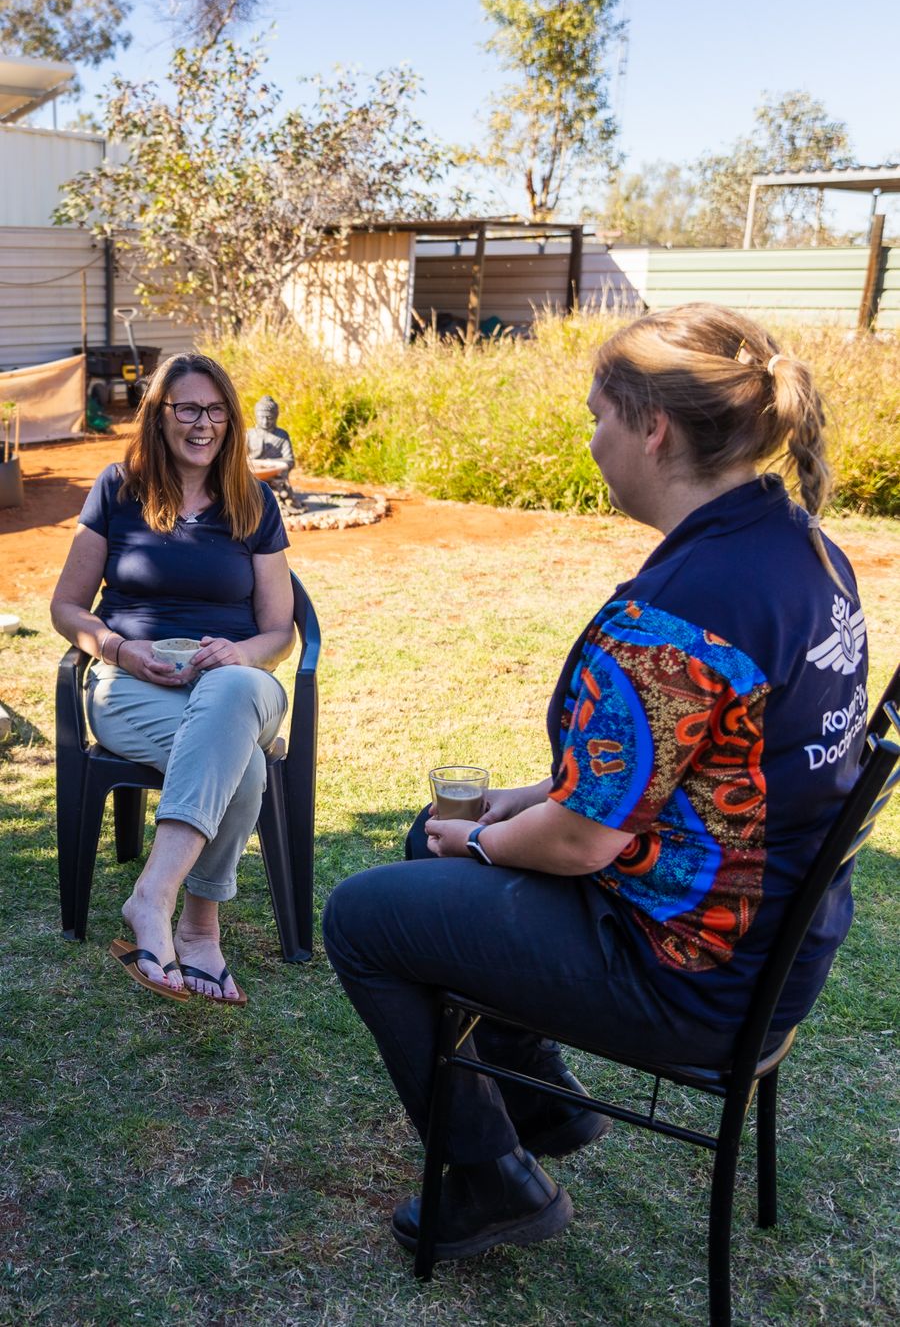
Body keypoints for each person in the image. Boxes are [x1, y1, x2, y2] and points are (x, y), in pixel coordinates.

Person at [322, 303, 868, 1262]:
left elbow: (584, 842)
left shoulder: (677, 614)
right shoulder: (801, 550)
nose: (592, 440)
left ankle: (492, 1181)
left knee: (364, 916)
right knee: (427, 840)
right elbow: (687, 769)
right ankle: (542, 1107)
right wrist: (520, 803)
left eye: (597, 417)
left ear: (652, 428)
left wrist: (490, 839)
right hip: (771, 937)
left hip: (690, 975)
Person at [51, 353, 296, 1004]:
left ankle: (152, 899)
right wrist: (117, 648)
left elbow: (280, 631)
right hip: (135, 682)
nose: (203, 423)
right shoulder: (117, 489)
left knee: (235, 693)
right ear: (159, 416)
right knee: (241, 767)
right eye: (187, 408)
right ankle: (197, 930)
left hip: (237, 679)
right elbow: (66, 607)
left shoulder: (254, 501)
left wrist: (241, 653)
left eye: (216, 410)